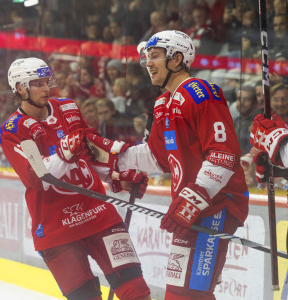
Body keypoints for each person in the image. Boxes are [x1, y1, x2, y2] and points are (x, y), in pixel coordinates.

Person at [86, 30, 249, 300]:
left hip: (217, 204)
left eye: (155, 56)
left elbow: (224, 155)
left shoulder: (201, 92)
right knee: (185, 293)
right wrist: (108, 153)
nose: (148, 63)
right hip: (193, 207)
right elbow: (158, 157)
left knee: (185, 295)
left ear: (176, 59)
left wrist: (192, 200)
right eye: (146, 57)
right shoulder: (163, 103)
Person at [0, 57, 152, 300]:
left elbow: (89, 152)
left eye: (47, 81)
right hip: (57, 231)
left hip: (100, 216)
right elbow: (38, 178)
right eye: (38, 83)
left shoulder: (68, 107)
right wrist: (64, 152)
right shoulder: (14, 130)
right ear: (20, 88)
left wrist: (115, 178)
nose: (47, 88)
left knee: (137, 291)